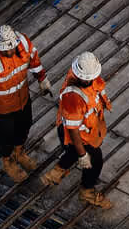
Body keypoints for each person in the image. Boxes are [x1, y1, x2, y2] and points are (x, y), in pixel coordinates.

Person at [0, 22, 49, 180]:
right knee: (5, 137)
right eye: (4, 50)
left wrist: (42, 79)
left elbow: (34, 60)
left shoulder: (23, 43)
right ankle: (8, 161)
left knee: (25, 125)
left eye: (10, 48)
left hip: (23, 99)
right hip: (3, 108)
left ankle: (19, 152)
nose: (8, 52)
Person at [45, 50, 112, 208]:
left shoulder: (88, 74)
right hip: (76, 133)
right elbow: (73, 130)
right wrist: (83, 155)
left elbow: (97, 89)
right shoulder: (73, 97)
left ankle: (56, 173)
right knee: (94, 160)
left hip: (88, 128)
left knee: (74, 152)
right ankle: (86, 192)